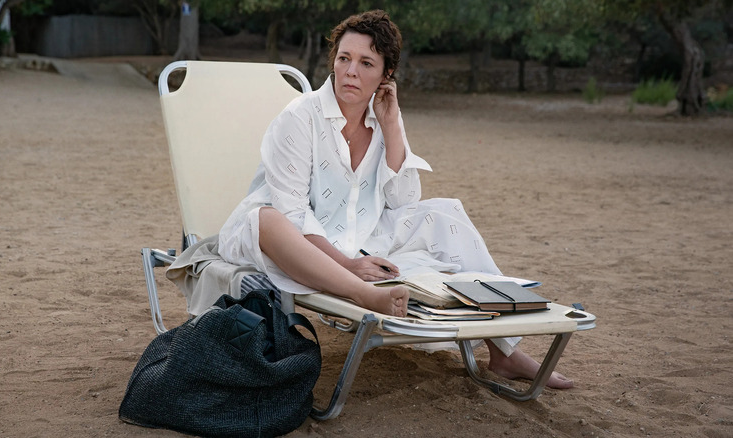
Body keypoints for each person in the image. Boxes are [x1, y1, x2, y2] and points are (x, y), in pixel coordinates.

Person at [218, 10, 572, 389]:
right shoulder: (299, 118)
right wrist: (350, 266)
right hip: (285, 239)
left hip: (359, 235)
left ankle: (503, 352)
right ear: (333, 62)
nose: (350, 71)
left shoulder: (384, 115)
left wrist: (390, 125)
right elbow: (293, 213)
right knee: (268, 218)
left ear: (386, 75)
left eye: (366, 62)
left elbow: (405, 199)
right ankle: (364, 294)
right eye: (344, 58)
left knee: (443, 212)